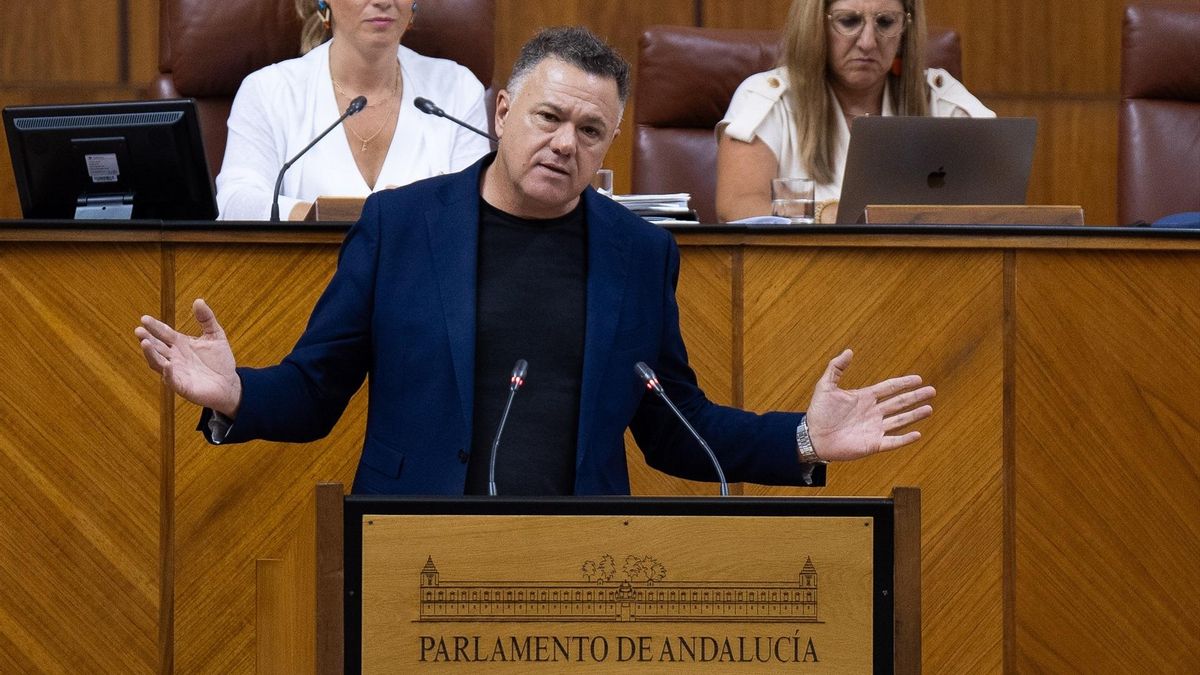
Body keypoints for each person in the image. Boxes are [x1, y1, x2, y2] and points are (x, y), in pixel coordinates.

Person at [136, 27, 935, 496]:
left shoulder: (639, 253)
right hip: (406, 550)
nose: (564, 142)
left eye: (590, 132)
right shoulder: (401, 225)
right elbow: (315, 391)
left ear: (609, 143)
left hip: (575, 570)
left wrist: (802, 438)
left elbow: (670, 426)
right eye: (549, 116)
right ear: (504, 110)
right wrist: (238, 394)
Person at [716, 0, 994, 223]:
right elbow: (738, 206)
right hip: (800, 278)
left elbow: (998, 202)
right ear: (816, 26)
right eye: (848, 21)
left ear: (905, 28)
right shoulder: (766, 98)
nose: (868, 42)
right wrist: (825, 213)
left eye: (886, 22)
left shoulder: (941, 100)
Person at [216, 0, 491, 220]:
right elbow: (235, 201)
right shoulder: (268, 91)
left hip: (424, 279)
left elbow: (476, 209)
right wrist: (321, 216)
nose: (384, 2)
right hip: (304, 280)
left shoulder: (457, 89)